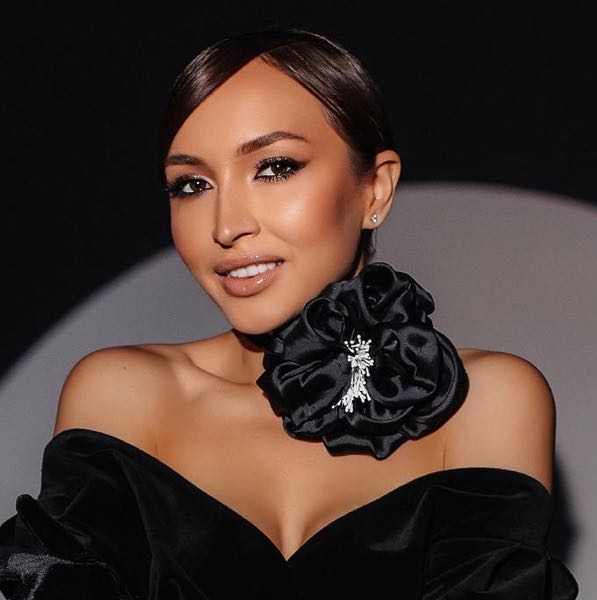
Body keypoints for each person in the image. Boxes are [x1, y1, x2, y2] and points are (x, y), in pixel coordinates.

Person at [0, 27, 578, 599]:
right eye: (192, 184)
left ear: (376, 189)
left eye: (274, 167)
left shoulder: (483, 401)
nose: (227, 226)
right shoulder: (124, 395)